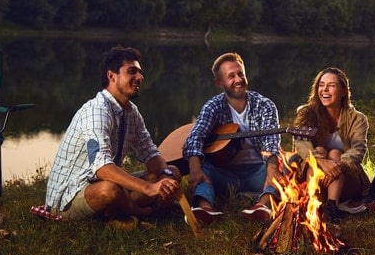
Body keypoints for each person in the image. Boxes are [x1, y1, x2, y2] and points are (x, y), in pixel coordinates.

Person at [45, 45, 180, 229]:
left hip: (103, 183)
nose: (140, 78)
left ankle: (121, 211)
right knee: (110, 190)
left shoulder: (132, 111)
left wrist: (165, 182)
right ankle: (135, 211)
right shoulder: (96, 111)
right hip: (69, 196)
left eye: (140, 73)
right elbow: (102, 168)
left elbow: (150, 152)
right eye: (132, 72)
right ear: (112, 76)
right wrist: (150, 189)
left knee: (173, 172)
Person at [182, 52, 282, 226]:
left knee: (287, 164)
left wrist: (272, 169)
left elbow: (271, 142)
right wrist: (194, 168)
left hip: (259, 171)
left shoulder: (265, 105)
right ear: (219, 83)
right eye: (231, 76)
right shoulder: (213, 106)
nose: (238, 79)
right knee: (204, 166)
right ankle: (204, 210)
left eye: (240, 74)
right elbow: (195, 137)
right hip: (225, 174)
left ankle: (262, 206)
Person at [293, 67, 370, 224]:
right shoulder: (307, 113)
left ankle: (331, 207)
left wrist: (337, 167)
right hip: (315, 178)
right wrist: (321, 161)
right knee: (319, 150)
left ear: (343, 91)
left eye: (331, 85)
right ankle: (311, 202)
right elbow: (300, 142)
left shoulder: (358, 118)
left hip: (347, 181)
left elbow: (358, 150)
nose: (325, 90)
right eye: (321, 85)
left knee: (336, 153)